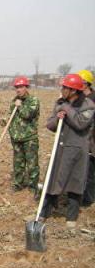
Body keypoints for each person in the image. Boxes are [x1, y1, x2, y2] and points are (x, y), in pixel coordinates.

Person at [39, 74, 95, 227]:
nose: (62, 90)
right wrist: (57, 117)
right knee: (52, 179)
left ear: (74, 91)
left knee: (75, 182)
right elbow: (50, 125)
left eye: (65, 87)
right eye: (62, 87)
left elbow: (80, 123)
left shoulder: (88, 105)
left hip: (77, 150)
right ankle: (44, 213)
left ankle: (71, 217)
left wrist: (67, 109)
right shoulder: (60, 103)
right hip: (61, 148)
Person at [7, 76, 40, 197]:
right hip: (16, 138)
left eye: (21, 87)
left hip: (29, 138)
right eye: (17, 87)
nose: (18, 90)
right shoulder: (14, 101)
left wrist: (20, 106)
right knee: (18, 163)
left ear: (26, 87)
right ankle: (18, 184)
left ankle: (33, 186)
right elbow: (12, 119)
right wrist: (11, 133)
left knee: (32, 164)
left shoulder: (33, 101)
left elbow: (28, 115)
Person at [78, 69, 95, 207]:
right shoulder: (78, 99)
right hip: (80, 139)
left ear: (87, 84)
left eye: (81, 83)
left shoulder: (93, 99)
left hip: (91, 140)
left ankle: (88, 198)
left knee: (89, 170)